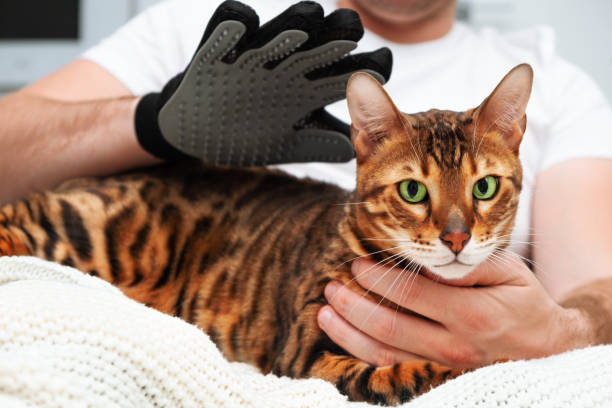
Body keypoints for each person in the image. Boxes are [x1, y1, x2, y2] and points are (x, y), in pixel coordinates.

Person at [0, 0, 611, 371]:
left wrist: (562, 333)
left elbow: (598, 289)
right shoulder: (211, 26)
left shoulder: (557, 81)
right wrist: (148, 122)